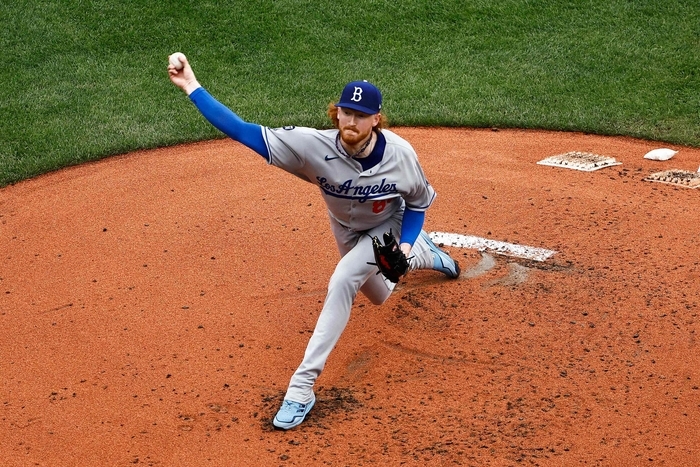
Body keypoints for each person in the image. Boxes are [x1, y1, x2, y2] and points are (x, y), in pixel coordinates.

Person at [167, 54, 460, 430]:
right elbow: (242, 131)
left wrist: (402, 244)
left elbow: (418, 204)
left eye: (361, 115)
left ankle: (301, 388)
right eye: (346, 112)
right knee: (378, 294)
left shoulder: (400, 156)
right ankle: (425, 254)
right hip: (346, 229)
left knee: (343, 279)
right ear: (336, 113)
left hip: (388, 223)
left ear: (376, 119)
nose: (351, 121)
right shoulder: (310, 146)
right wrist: (192, 86)